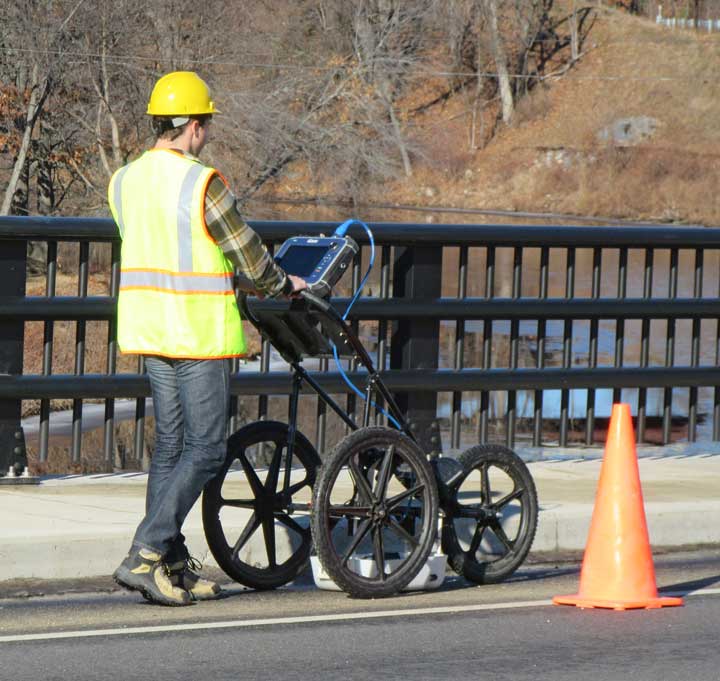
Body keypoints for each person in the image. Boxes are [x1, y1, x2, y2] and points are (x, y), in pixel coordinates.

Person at [107, 71, 306, 606]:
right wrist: (284, 284)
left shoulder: (123, 179)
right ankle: (145, 554)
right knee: (206, 448)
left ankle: (170, 565)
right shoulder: (202, 182)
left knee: (171, 448)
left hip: (151, 328)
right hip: (196, 332)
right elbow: (247, 253)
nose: (207, 134)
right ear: (193, 126)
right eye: (207, 125)